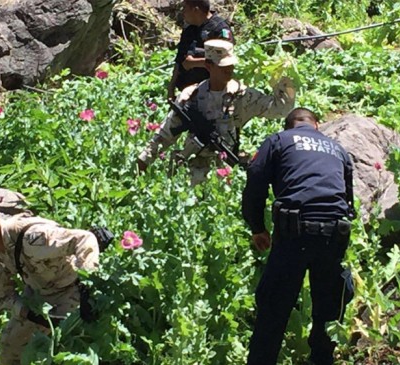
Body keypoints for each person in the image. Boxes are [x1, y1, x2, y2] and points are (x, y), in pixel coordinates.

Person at [241, 108, 356, 365]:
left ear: (289, 125)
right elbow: (349, 202)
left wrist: (257, 227)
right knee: (328, 309)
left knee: (273, 308)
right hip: (335, 232)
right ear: (317, 125)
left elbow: (255, 180)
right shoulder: (338, 150)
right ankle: (322, 359)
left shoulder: (279, 140)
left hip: (294, 233)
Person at [0, 197, 99, 365]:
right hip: (37, 297)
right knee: (10, 347)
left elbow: (85, 239)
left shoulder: (32, 238)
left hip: (71, 290)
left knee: (69, 349)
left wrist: (88, 291)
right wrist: (28, 313)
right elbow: (3, 294)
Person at [139, 39, 296, 186]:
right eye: (222, 66)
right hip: (192, 171)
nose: (229, 69)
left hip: (225, 170)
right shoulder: (191, 97)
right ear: (208, 65)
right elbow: (165, 135)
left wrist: (282, 80)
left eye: (230, 65)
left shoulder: (242, 95)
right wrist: (143, 162)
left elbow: (280, 109)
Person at [168, 0, 234, 101]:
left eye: (185, 8)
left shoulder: (219, 29)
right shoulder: (189, 29)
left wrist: (194, 63)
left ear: (196, 10)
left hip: (211, 93)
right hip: (186, 91)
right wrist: (171, 87)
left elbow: (225, 61)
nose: (183, 13)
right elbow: (179, 60)